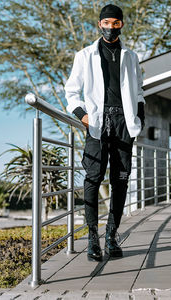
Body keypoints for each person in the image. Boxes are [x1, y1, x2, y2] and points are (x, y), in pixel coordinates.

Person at [64, 4, 145, 261]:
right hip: (97, 122)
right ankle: (92, 238)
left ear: (122, 25)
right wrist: (83, 116)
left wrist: (139, 119)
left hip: (124, 122)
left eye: (116, 23)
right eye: (107, 22)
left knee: (121, 179)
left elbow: (139, 92)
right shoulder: (84, 55)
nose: (111, 27)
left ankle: (111, 235)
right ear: (100, 24)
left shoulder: (131, 57)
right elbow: (71, 92)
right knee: (93, 176)